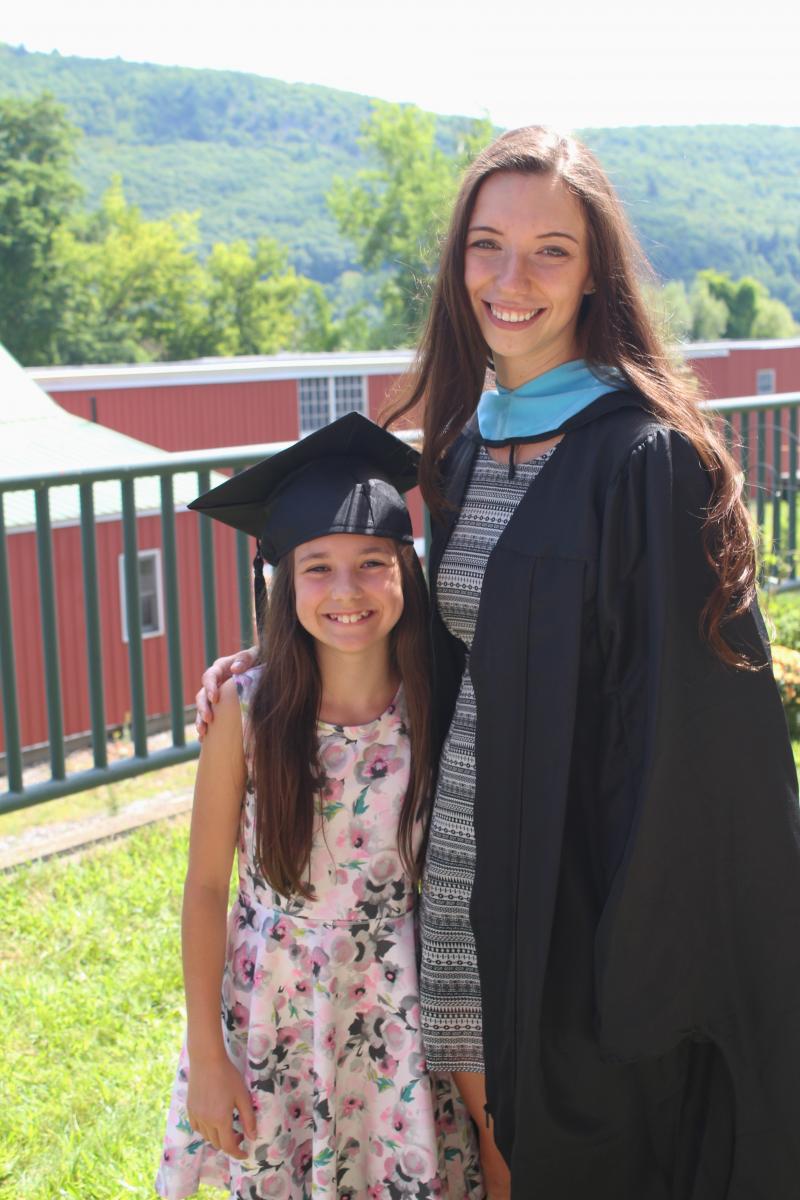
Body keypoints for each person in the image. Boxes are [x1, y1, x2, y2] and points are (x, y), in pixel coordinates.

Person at [197, 127, 800, 1199]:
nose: (510, 279)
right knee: (488, 1135)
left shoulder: (643, 457)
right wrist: (273, 653)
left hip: (580, 895)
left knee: (579, 1145)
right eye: (486, 246)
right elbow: (455, 638)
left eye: (549, 251)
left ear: (593, 272)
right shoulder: (469, 444)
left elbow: (696, 737)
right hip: (470, 870)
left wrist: (633, 955)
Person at [157, 412, 483, 1200]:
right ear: (274, 577)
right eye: (317, 568)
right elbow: (206, 888)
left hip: (401, 1001)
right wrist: (209, 1051)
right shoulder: (246, 711)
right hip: (278, 1006)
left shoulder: (441, 702)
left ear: (408, 568)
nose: (347, 590)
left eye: (373, 562)